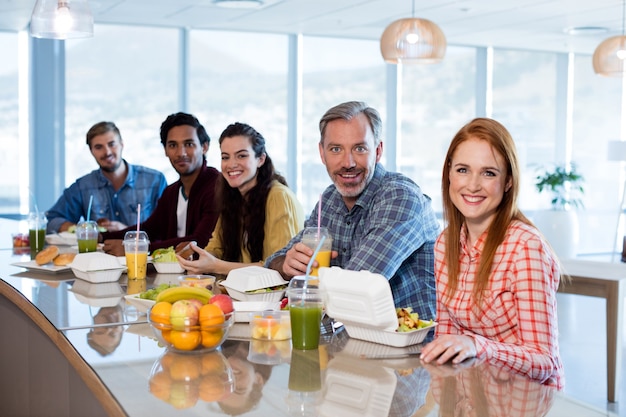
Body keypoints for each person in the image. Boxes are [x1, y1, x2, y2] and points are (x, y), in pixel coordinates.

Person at [419, 118, 564, 389]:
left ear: (508, 181)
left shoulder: (525, 247)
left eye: (489, 173)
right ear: (448, 173)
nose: (473, 185)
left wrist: (477, 345)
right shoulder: (444, 243)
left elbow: (545, 362)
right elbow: (448, 342)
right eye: (463, 170)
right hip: (472, 399)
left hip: (525, 401)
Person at [266, 101, 440, 318]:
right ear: (322, 153)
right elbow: (274, 261)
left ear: (377, 151)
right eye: (336, 149)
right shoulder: (329, 200)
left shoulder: (400, 198)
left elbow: (355, 289)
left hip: (410, 345)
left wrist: (301, 281)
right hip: (349, 337)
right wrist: (287, 264)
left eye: (359, 148)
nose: (348, 162)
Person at [177, 122, 304, 277]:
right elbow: (216, 248)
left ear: (260, 159)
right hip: (241, 294)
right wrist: (201, 258)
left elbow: (278, 267)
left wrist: (216, 266)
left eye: (241, 155)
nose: (231, 164)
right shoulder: (232, 196)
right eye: (225, 157)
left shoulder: (279, 197)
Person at [101, 112, 220, 255]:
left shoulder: (217, 186)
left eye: (189, 144)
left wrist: (136, 249)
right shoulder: (172, 192)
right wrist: (102, 237)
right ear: (165, 150)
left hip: (205, 275)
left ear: (204, 147)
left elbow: (200, 240)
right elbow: (149, 229)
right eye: (173, 145)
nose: (181, 153)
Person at [46, 121, 167, 233]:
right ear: (91, 151)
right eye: (99, 147)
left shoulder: (155, 181)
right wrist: (84, 229)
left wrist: (127, 231)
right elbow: (52, 220)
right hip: (97, 255)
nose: (107, 152)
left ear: (121, 144)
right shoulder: (82, 187)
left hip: (142, 255)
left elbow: (167, 228)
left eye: (111, 144)